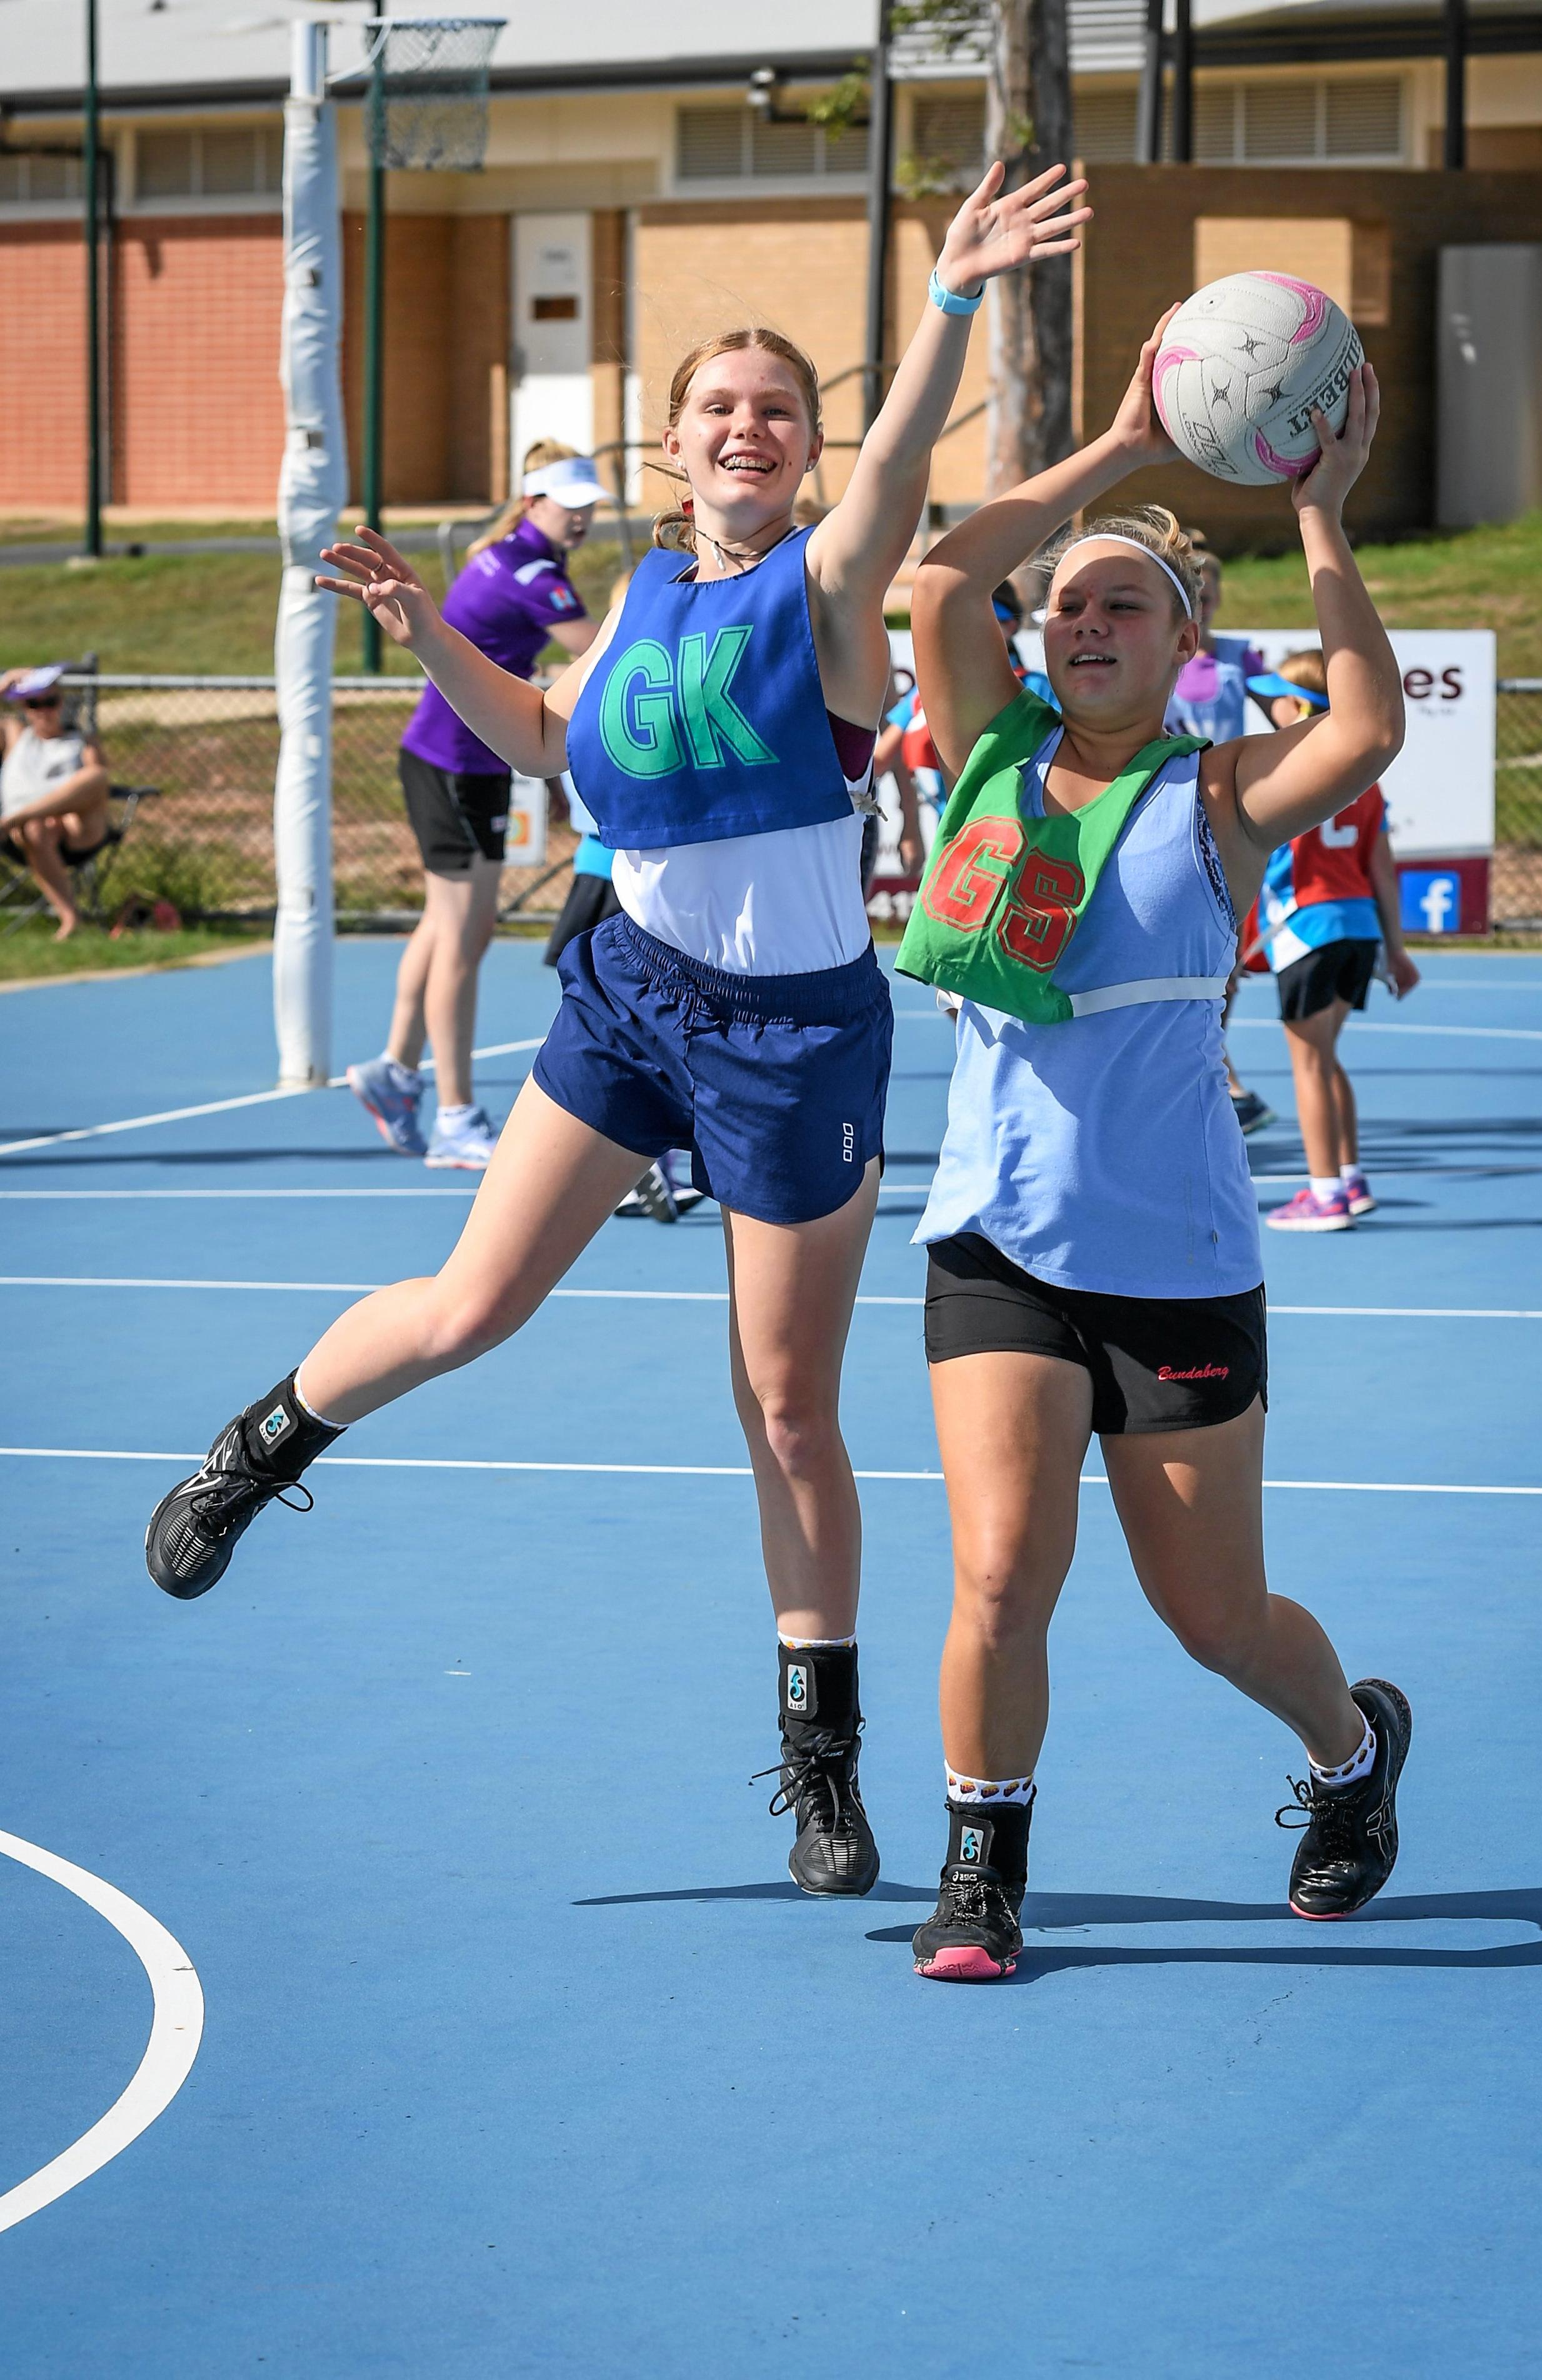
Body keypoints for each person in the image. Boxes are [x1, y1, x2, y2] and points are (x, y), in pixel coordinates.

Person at [143, 162, 1093, 1900]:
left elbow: (899, 480)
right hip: (631, 1002)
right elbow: (532, 741)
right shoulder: (634, 607)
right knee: (472, 1304)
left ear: (804, 448)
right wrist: (422, 625)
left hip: (794, 1043)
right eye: (718, 407)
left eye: (778, 410)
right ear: (672, 446)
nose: (750, 426)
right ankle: (262, 1443)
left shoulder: (821, 595)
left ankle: (820, 1766)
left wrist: (948, 296)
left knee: (787, 1407)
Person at [896, 317, 1411, 1981]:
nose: (1083, 620)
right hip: (995, 1244)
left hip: (1176, 1260)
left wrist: (1317, 509)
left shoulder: (1216, 798)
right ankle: (981, 1868)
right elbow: (926, 579)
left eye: (1124, 601)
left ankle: (1348, 1752)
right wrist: (1118, 446)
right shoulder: (991, 749)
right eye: (1066, 602)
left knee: (1213, 1622)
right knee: (997, 1574)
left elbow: (1370, 729)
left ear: (1185, 641)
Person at [346, 444, 609, 1170]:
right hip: (454, 767)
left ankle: (397, 1069)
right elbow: (608, 657)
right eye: (569, 503)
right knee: (464, 939)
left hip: (474, 762)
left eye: (589, 503)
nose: (583, 516)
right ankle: (456, 1117)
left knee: (451, 925)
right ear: (533, 502)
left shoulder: (500, 557)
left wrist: (551, 776)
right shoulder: (533, 577)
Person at [1246, 650, 1420, 1232]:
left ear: (1296, 706)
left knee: (1308, 1063)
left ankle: (1324, 1192)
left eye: (1274, 697)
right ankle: (1349, 1177)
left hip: (1306, 926)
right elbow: (1381, 866)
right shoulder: (1361, 778)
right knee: (1327, 1056)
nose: (1267, 706)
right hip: (1359, 927)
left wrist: (1240, 937)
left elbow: (1259, 861)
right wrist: (1396, 948)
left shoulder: (1284, 768)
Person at [1163, 543, 1279, 1139]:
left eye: (1210, 591)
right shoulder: (1157, 657)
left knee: (1226, 963)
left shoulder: (1239, 658)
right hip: (1167, 817)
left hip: (1224, 821)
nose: (1204, 600)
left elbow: (1290, 706)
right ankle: (1215, 1074)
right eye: (1193, 591)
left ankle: (1212, 1064)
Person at [876, 580, 1052, 881]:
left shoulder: (1040, 688)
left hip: (1033, 847)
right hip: (958, 846)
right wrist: (910, 823)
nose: (983, 632)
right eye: (972, 621)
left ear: (1013, 627)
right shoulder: (934, 688)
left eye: (997, 621)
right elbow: (879, 761)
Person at [0, 664, 111, 939]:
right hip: (27, 836)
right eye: (35, 704)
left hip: (76, 831)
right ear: (25, 708)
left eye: (51, 702)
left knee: (95, 775)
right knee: (35, 827)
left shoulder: (82, 742)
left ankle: (18, 817)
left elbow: (98, 786)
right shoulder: (16, 736)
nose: (44, 711)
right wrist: (6, 681)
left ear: (62, 703)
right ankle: (70, 918)